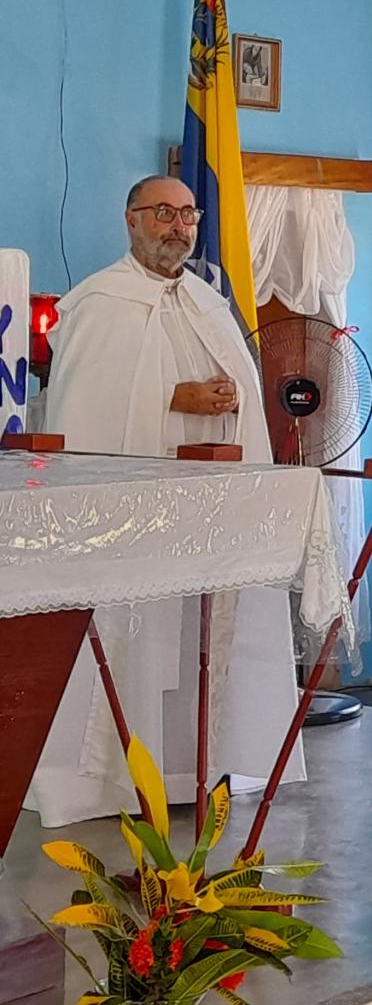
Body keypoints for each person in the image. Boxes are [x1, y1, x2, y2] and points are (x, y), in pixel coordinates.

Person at [30, 175, 303, 826]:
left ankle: (190, 767)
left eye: (188, 214)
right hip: (131, 521)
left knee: (197, 644)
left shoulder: (210, 305)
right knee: (129, 637)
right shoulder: (98, 303)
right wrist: (172, 399)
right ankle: (108, 779)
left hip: (202, 518)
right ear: (131, 220)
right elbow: (84, 412)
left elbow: (240, 403)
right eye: (163, 213)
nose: (177, 227)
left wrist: (229, 401)